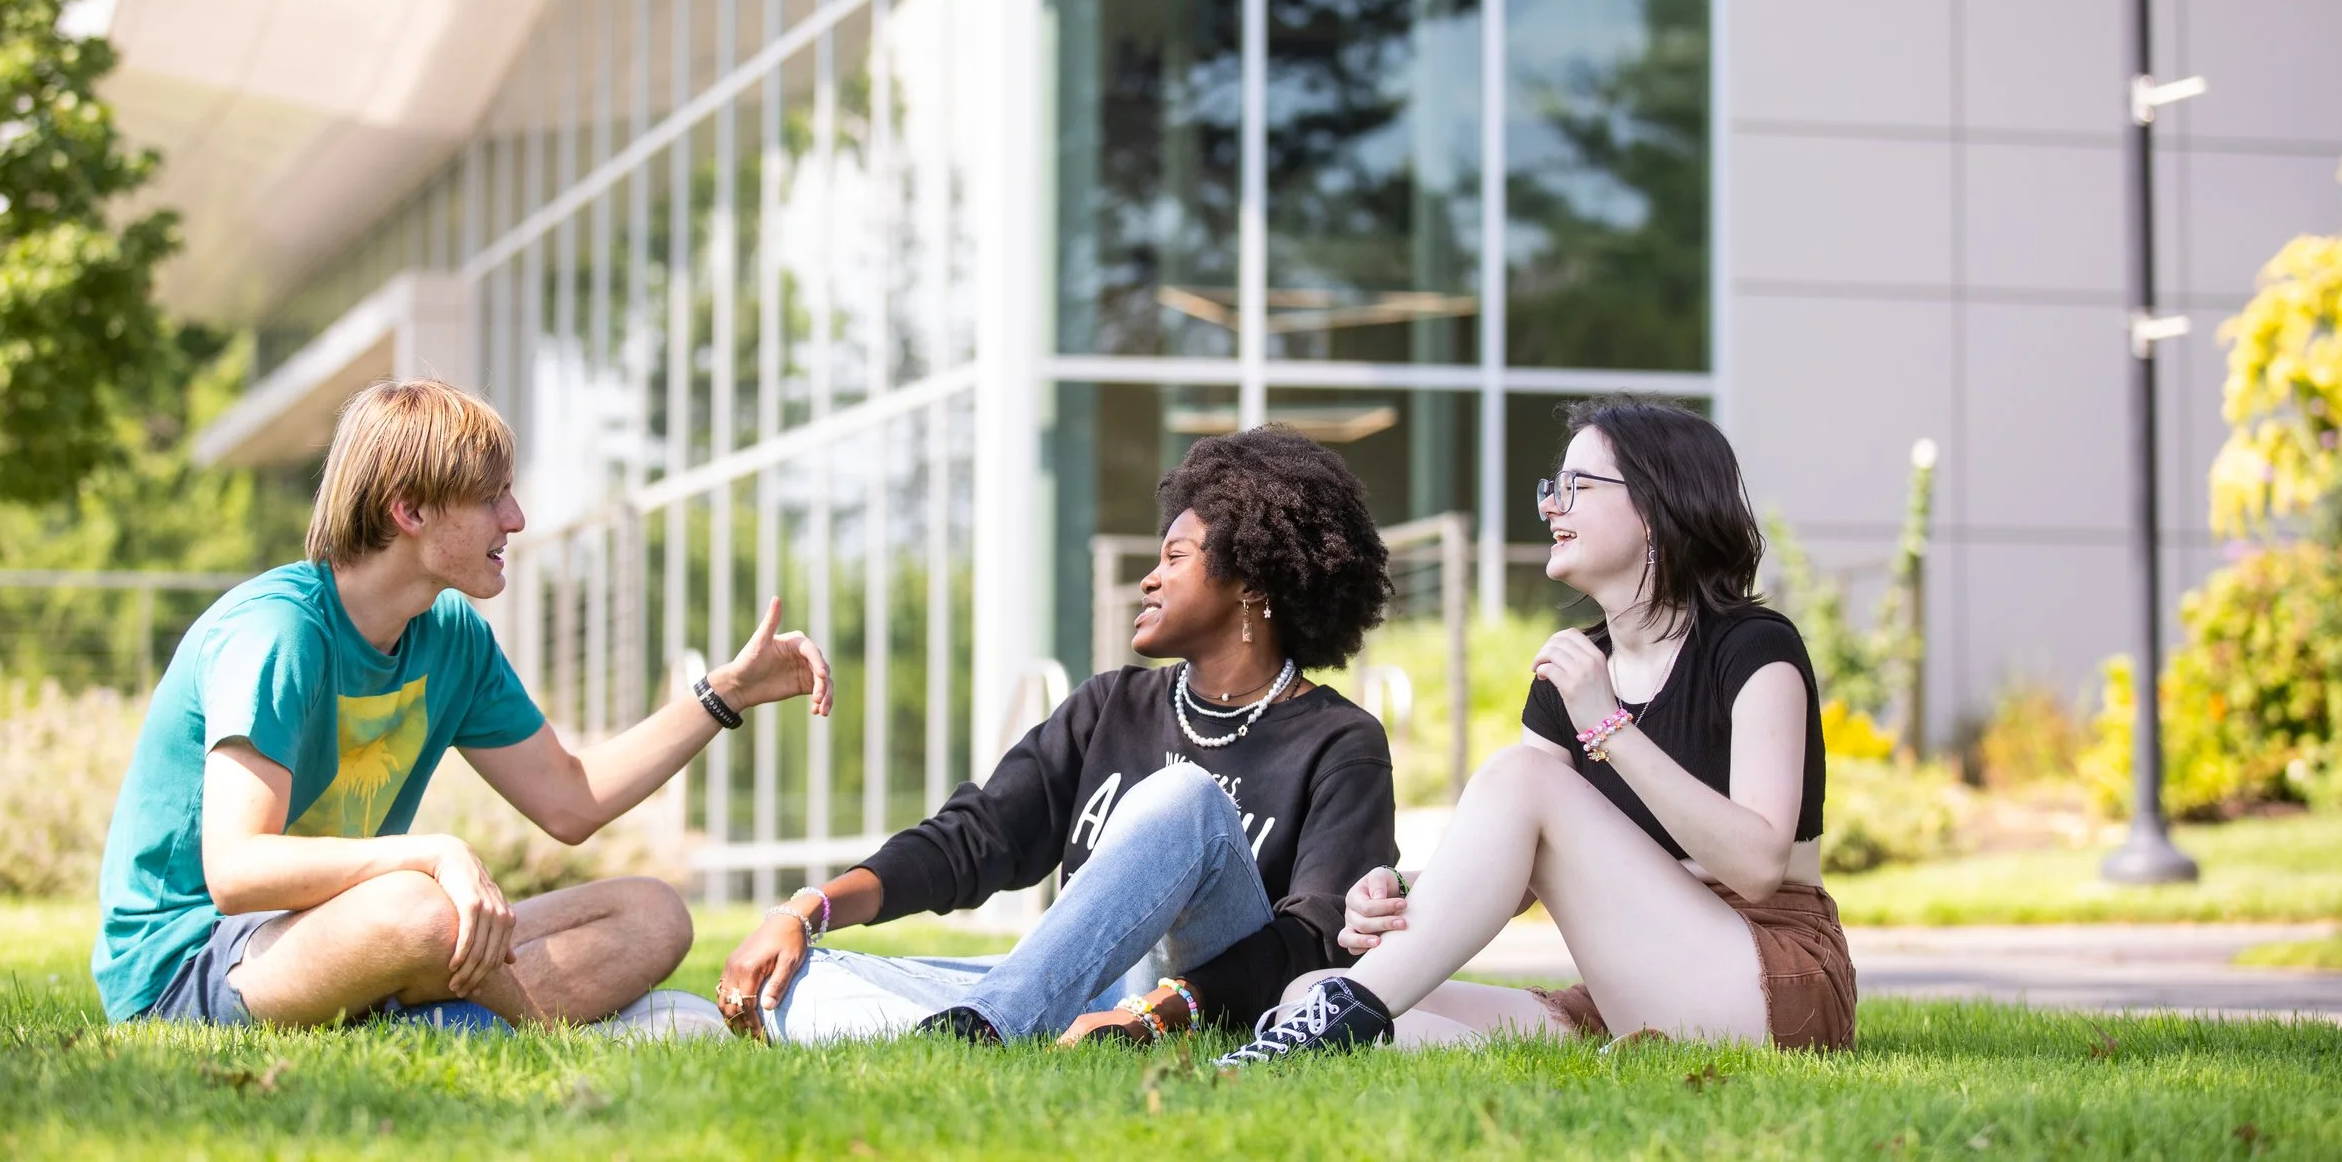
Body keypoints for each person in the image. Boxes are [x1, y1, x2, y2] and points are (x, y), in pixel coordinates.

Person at [92, 379, 832, 1030]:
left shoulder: (452, 637)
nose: (514, 517)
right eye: (489, 497)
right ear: (409, 509)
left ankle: (433, 1014)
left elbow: (571, 799)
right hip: (196, 964)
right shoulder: (277, 631)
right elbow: (238, 871)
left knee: (653, 913)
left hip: (349, 936)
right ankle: (533, 1024)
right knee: (414, 910)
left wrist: (723, 694)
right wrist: (434, 852)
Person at [712, 425, 1398, 1047]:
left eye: (1175, 556)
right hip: (1069, 993)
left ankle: (988, 1027)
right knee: (802, 975)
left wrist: (1156, 1013)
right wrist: (806, 910)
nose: (1148, 577)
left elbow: (1315, 943)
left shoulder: (1341, 741)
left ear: (1251, 578)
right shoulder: (1110, 705)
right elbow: (973, 838)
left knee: (1186, 797)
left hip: (1206, 1003)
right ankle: (1015, 1027)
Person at [1222, 397, 1853, 1063]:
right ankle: (1350, 1016)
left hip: (1769, 978)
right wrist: (1405, 891)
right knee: (1307, 987)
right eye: (1553, 488)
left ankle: (1343, 1017)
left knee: (1523, 777)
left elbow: (1758, 867)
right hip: (1630, 991)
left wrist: (1607, 724)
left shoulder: (1754, 648)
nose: (1552, 506)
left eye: (1577, 487)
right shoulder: (1572, 672)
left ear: (1659, 507)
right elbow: (1516, 876)